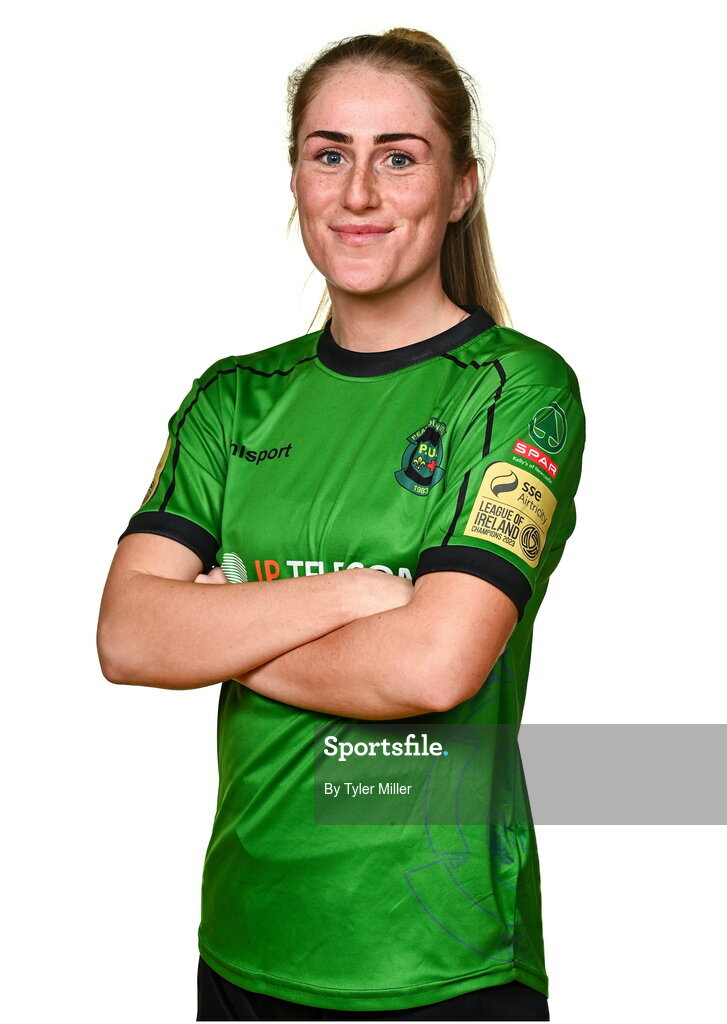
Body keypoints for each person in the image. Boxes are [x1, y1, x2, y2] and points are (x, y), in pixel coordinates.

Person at [97, 27, 585, 1022]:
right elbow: (126, 637)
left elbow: (433, 667)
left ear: (459, 188)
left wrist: (224, 626)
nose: (358, 193)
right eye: (330, 154)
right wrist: (354, 596)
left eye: (397, 157)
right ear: (297, 177)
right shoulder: (232, 401)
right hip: (246, 940)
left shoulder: (514, 390)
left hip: (437, 960)